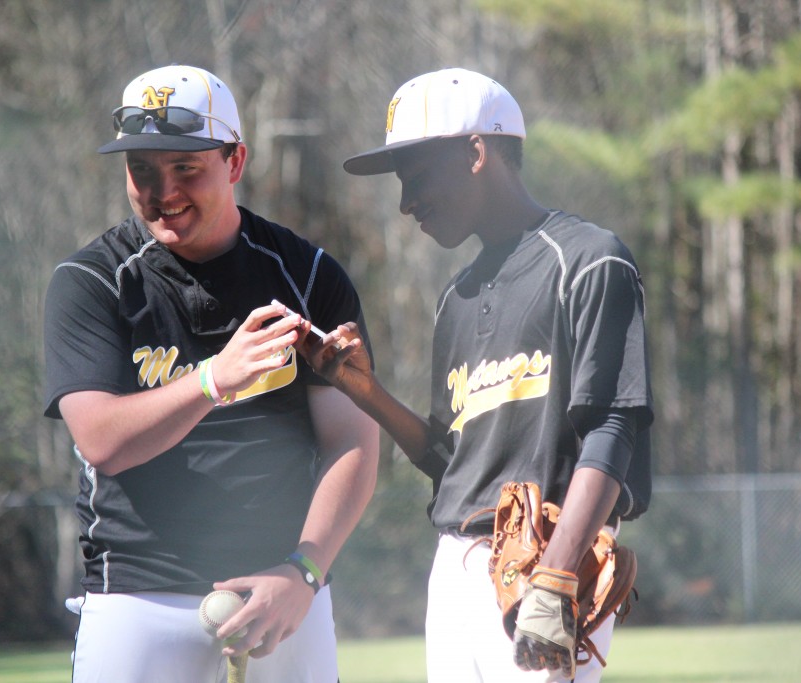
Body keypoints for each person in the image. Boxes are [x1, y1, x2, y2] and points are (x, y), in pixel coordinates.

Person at [303, 68, 653, 682]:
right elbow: (452, 460)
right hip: (455, 565)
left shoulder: (590, 261)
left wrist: (557, 575)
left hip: (542, 560)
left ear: (475, 151)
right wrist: (365, 391)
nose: (406, 200)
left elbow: (614, 426)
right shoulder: (455, 300)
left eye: (417, 175)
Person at [43, 64, 379, 683]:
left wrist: (305, 570)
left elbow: (352, 440)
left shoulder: (308, 278)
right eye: (141, 169)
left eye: (186, 167)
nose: (161, 189)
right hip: (137, 597)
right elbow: (102, 442)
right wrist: (212, 380)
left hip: (280, 592)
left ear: (235, 161)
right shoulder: (91, 281)